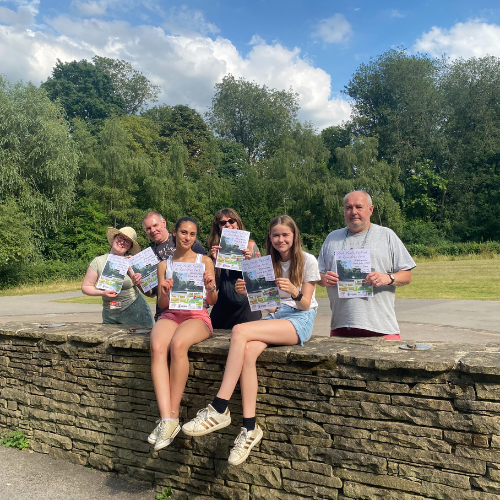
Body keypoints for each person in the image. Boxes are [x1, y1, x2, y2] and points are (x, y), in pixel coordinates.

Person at [182, 215, 320, 465]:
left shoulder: (308, 260)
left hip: (300, 318)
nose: (280, 239)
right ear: (270, 237)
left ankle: (219, 406)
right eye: (276, 235)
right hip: (276, 317)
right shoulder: (267, 262)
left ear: (294, 236)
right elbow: (268, 304)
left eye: (285, 235)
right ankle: (249, 427)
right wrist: (250, 292)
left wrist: (294, 290)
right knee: (247, 353)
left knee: (240, 331)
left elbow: (305, 303)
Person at [147, 217, 217, 451]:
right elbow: (163, 304)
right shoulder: (163, 265)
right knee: (157, 346)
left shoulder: (204, 260)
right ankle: (167, 418)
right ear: (174, 232)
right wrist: (164, 291)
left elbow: (212, 300)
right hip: (172, 314)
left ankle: (172, 416)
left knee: (178, 345)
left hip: (197, 315)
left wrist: (210, 287)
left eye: (193, 234)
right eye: (184, 232)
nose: (187, 238)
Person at [318, 190, 416, 340]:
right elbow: (317, 275)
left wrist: (387, 278)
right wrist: (323, 279)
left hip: (381, 327)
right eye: (348, 208)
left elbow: (407, 275)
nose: (353, 212)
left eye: (359, 207)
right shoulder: (332, 238)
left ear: (370, 209)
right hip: (341, 326)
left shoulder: (386, 235)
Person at [137, 212, 206, 321]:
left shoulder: (185, 239)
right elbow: (152, 293)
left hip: (191, 310)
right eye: (148, 228)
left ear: (164, 223)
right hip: (164, 312)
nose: (153, 230)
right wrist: (139, 283)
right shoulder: (147, 257)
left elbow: (206, 269)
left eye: (155, 225)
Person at [81, 227, 154, 327]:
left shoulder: (134, 263)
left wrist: (133, 273)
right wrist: (102, 292)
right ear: (114, 238)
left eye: (127, 241)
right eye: (120, 237)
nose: (122, 242)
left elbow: (149, 291)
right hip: (109, 312)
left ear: (129, 248)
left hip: (136, 310)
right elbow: (86, 287)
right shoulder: (98, 261)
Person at [208, 208, 262, 329]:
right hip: (224, 308)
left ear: (238, 223)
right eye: (222, 223)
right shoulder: (216, 249)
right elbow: (214, 286)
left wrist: (249, 262)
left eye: (231, 221)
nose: (227, 224)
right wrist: (215, 261)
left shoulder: (251, 246)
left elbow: (260, 282)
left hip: (246, 308)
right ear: (218, 228)